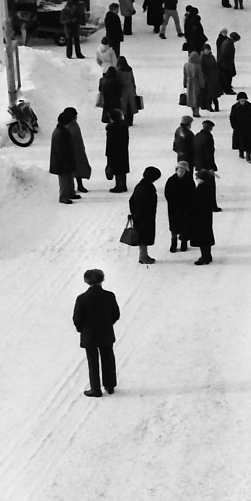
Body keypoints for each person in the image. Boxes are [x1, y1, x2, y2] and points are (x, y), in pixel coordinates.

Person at [73, 267, 121, 396]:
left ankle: (95, 389)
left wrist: (81, 329)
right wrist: (108, 323)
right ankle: (110, 385)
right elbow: (116, 314)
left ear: (86, 281)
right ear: (102, 279)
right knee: (108, 358)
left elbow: (77, 318)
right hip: (106, 332)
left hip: (89, 335)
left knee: (92, 362)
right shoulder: (109, 295)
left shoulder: (82, 299)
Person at [129, 167, 160, 266]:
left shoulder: (140, 186)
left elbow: (131, 200)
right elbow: (145, 204)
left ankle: (144, 255)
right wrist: (138, 214)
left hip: (140, 216)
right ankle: (143, 256)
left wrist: (134, 213)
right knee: (143, 236)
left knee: (142, 235)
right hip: (144, 217)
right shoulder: (147, 188)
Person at [188, 169, 217, 265]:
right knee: (206, 236)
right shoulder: (208, 187)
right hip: (206, 216)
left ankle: (204, 256)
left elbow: (195, 202)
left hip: (200, 216)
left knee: (202, 238)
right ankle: (207, 255)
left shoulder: (201, 188)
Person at [164, 161, 194, 253]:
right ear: (176, 170)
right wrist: (172, 203)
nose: (181, 172)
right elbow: (167, 194)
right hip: (173, 208)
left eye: (183, 171)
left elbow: (192, 194)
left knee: (184, 226)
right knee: (173, 227)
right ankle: (173, 243)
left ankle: (184, 243)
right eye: (179, 170)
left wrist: (189, 206)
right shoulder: (171, 180)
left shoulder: (189, 181)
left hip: (185, 208)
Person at [62, 107, 92, 194]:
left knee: (78, 168)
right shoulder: (69, 126)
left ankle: (79, 185)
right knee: (72, 169)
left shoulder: (74, 125)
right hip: (72, 151)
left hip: (78, 150)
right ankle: (72, 188)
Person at [49, 111, 77, 204]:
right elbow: (60, 150)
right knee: (64, 179)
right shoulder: (60, 133)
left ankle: (71, 193)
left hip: (66, 159)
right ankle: (64, 196)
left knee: (69, 177)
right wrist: (66, 162)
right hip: (61, 161)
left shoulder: (62, 130)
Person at [105, 108, 130, 192]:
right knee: (123, 167)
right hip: (123, 149)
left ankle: (118, 185)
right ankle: (124, 185)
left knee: (116, 168)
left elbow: (110, 142)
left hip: (114, 151)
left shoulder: (111, 128)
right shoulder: (124, 126)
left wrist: (108, 153)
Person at [230, 93, 251, 161]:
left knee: (248, 142)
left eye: (244, 99)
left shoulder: (249, 106)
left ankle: (248, 155)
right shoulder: (235, 107)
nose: (242, 101)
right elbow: (232, 117)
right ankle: (241, 152)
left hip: (248, 127)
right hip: (238, 127)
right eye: (241, 100)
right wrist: (234, 125)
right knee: (240, 141)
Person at [117, 56, 140, 128]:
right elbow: (132, 79)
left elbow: (118, 80)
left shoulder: (119, 70)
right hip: (130, 88)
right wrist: (134, 88)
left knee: (124, 105)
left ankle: (126, 120)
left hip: (123, 88)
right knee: (131, 104)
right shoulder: (129, 69)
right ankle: (130, 120)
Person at [98, 61, 123, 126]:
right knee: (114, 110)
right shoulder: (116, 80)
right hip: (115, 98)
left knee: (106, 109)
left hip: (106, 97)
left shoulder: (102, 80)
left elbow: (100, 89)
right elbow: (119, 91)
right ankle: (115, 119)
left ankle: (105, 118)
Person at [183, 49, 207, 118]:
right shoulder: (197, 66)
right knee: (197, 98)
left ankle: (193, 111)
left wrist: (185, 83)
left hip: (189, 83)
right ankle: (196, 112)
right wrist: (202, 85)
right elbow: (200, 77)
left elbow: (184, 75)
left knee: (190, 98)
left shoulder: (186, 65)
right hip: (196, 84)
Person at [200, 43, 221, 111]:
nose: (207, 51)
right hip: (207, 78)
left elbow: (215, 65)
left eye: (208, 49)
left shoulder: (211, 57)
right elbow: (202, 69)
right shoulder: (202, 58)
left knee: (213, 93)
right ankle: (209, 106)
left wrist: (216, 73)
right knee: (209, 93)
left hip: (213, 77)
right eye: (206, 50)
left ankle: (216, 106)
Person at [216, 30, 236, 95]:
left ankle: (225, 88)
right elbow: (224, 53)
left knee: (226, 76)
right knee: (227, 76)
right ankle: (227, 89)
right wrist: (219, 61)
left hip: (226, 62)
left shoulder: (227, 42)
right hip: (226, 63)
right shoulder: (228, 43)